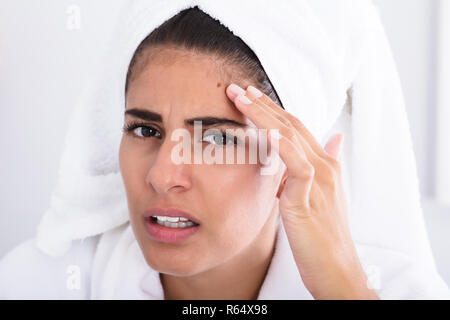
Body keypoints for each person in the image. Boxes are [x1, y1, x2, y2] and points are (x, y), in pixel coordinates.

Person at [1, 3, 449, 300]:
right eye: (144, 129)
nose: (162, 175)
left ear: (293, 155)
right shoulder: (39, 284)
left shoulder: (390, 289)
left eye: (216, 138)